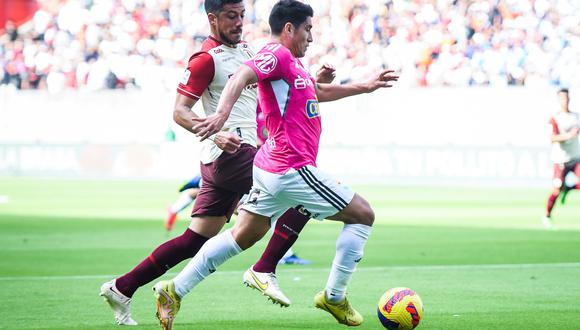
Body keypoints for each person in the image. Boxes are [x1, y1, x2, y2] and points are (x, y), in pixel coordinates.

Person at [152, 1, 398, 328]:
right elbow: (242, 73)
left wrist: (364, 86)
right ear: (289, 29)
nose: (311, 37)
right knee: (363, 214)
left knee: (242, 235)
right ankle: (334, 297)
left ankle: (175, 289)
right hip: (290, 166)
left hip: (270, 167)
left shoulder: (292, 66)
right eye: (307, 29)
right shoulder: (277, 54)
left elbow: (318, 90)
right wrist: (222, 116)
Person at [99, 0, 328, 325]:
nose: (238, 23)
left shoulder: (250, 51)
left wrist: (315, 81)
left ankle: (122, 287)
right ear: (212, 19)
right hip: (230, 153)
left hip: (233, 157)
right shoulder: (206, 60)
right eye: (231, 17)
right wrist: (215, 133)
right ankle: (266, 269)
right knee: (304, 191)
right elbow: (180, 111)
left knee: (195, 239)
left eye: (242, 16)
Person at [543, 88, 580, 228]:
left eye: (568, 98)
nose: (566, 101)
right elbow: (552, 138)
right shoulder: (554, 118)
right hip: (561, 160)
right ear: (559, 100)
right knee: (557, 189)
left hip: (576, 157)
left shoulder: (576, 116)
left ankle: (569, 188)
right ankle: (547, 215)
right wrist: (569, 136)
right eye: (563, 98)